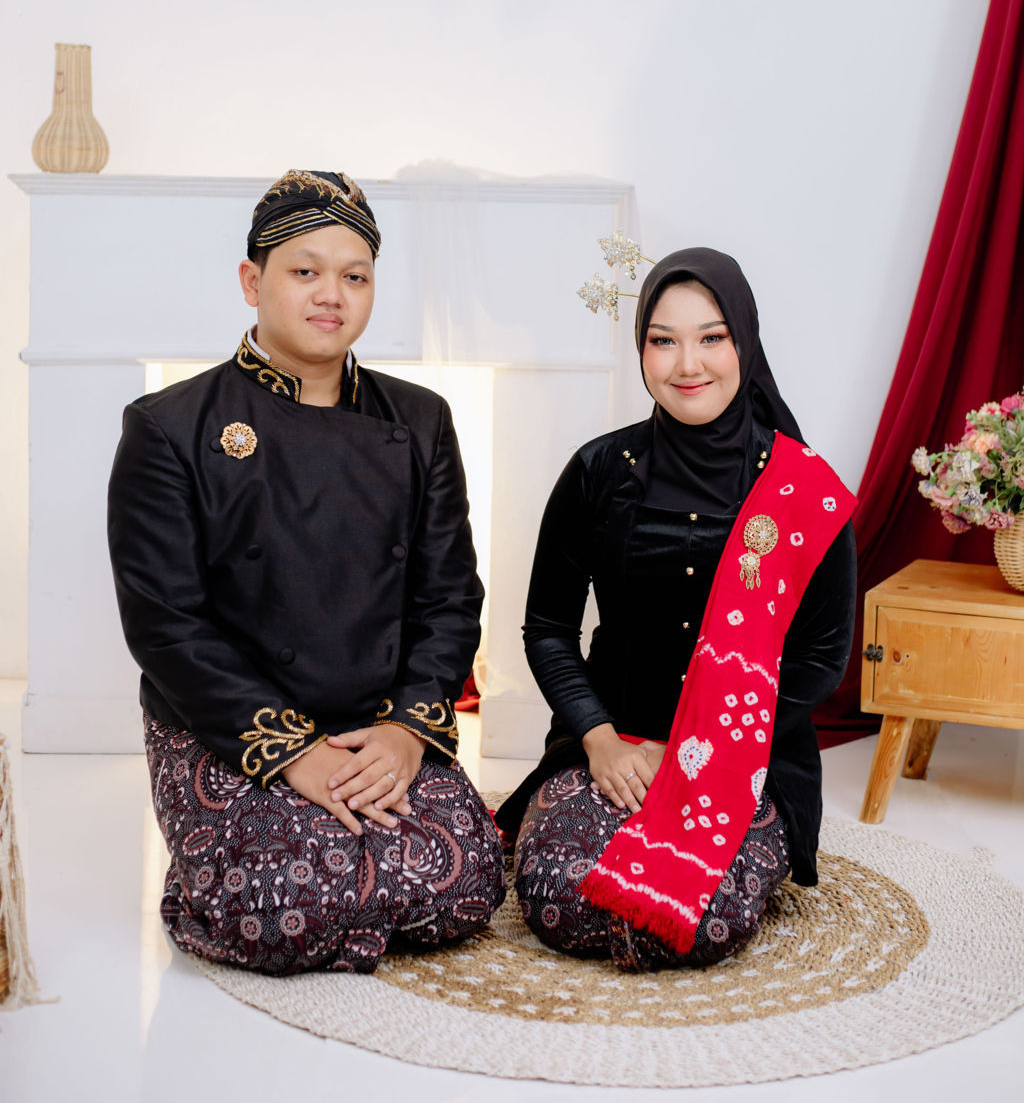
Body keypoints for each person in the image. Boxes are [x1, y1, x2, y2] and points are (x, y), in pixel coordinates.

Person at [108, 168, 505, 975]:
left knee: (470, 879)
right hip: (226, 722)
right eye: (305, 271)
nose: (332, 295)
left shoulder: (421, 420)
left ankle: (347, 903)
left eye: (355, 277)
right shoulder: (169, 427)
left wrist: (404, 733)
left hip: (373, 717)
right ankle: (272, 895)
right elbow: (167, 627)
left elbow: (450, 598)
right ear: (252, 282)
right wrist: (297, 755)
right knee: (282, 903)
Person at [495, 248, 856, 971]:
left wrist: (703, 748)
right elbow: (549, 629)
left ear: (744, 341)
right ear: (642, 350)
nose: (687, 364)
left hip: (744, 759)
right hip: (611, 747)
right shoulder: (598, 471)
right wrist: (600, 739)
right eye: (663, 340)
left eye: (711, 337)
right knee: (558, 894)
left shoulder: (802, 489)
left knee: (702, 916)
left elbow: (822, 659)